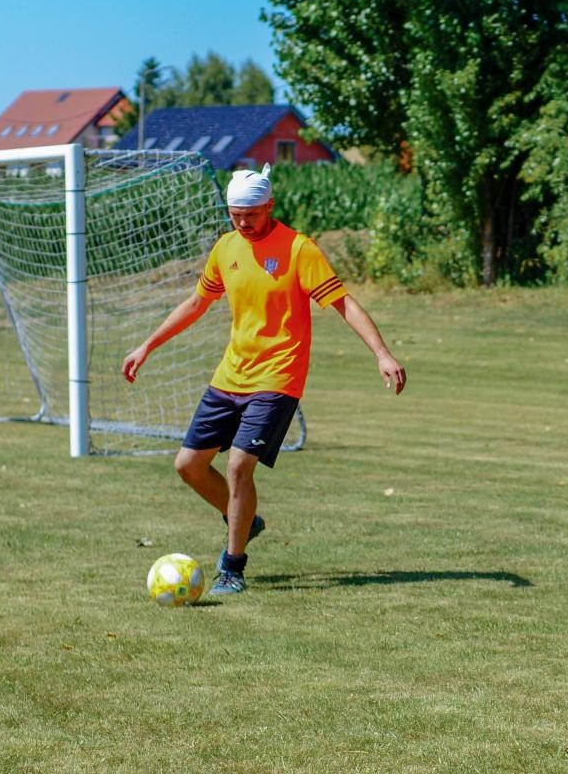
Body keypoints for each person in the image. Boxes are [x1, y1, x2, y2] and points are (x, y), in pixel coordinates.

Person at [122, 166, 406, 597]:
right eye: (235, 214)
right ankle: (246, 522)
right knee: (188, 466)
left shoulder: (298, 250)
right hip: (230, 375)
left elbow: (343, 303)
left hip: (279, 377)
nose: (243, 223)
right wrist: (148, 345)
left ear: (270, 205)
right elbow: (198, 302)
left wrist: (382, 353)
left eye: (251, 214)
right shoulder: (225, 248)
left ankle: (232, 568)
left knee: (238, 465)